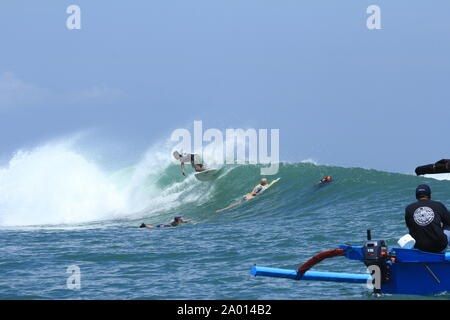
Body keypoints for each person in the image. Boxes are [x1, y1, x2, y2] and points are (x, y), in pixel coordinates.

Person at [404, 184, 450, 253]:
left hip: (419, 248)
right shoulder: (438, 205)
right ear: (429, 194)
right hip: (439, 247)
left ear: (416, 195)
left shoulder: (409, 208)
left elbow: (410, 227)